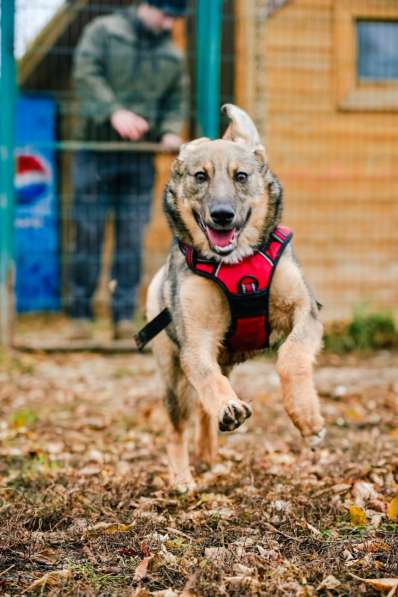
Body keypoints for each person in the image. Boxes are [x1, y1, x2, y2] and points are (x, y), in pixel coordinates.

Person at [69, 0, 189, 340]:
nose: (169, 24)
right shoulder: (104, 32)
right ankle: (80, 314)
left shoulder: (172, 54)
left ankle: (123, 317)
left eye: (175, 19)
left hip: (139, 155)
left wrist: (168, 128)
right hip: (97, 150)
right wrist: (113, 111)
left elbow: (176, 100)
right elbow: (85, 73)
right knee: (88, 232)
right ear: (146, 5)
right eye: (166, 15)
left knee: (131, 236)